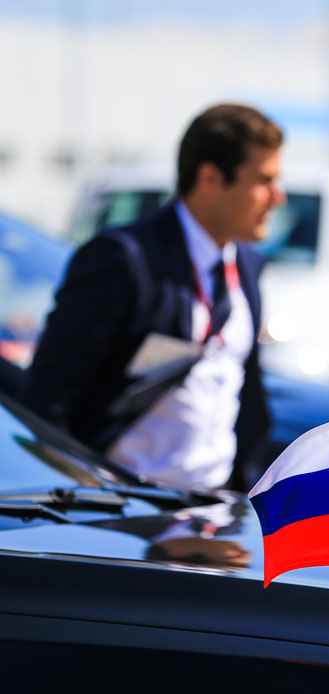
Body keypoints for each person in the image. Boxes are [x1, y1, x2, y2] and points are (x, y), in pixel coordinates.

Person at [24, 103, 284, 491]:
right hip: (128, 514)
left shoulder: (247, 265)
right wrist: (87, 495)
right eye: (264, 180)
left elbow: (246, 395)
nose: (277, 197)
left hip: (216, 510)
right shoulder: (124, 258)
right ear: (210, 178)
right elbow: (48, 402)